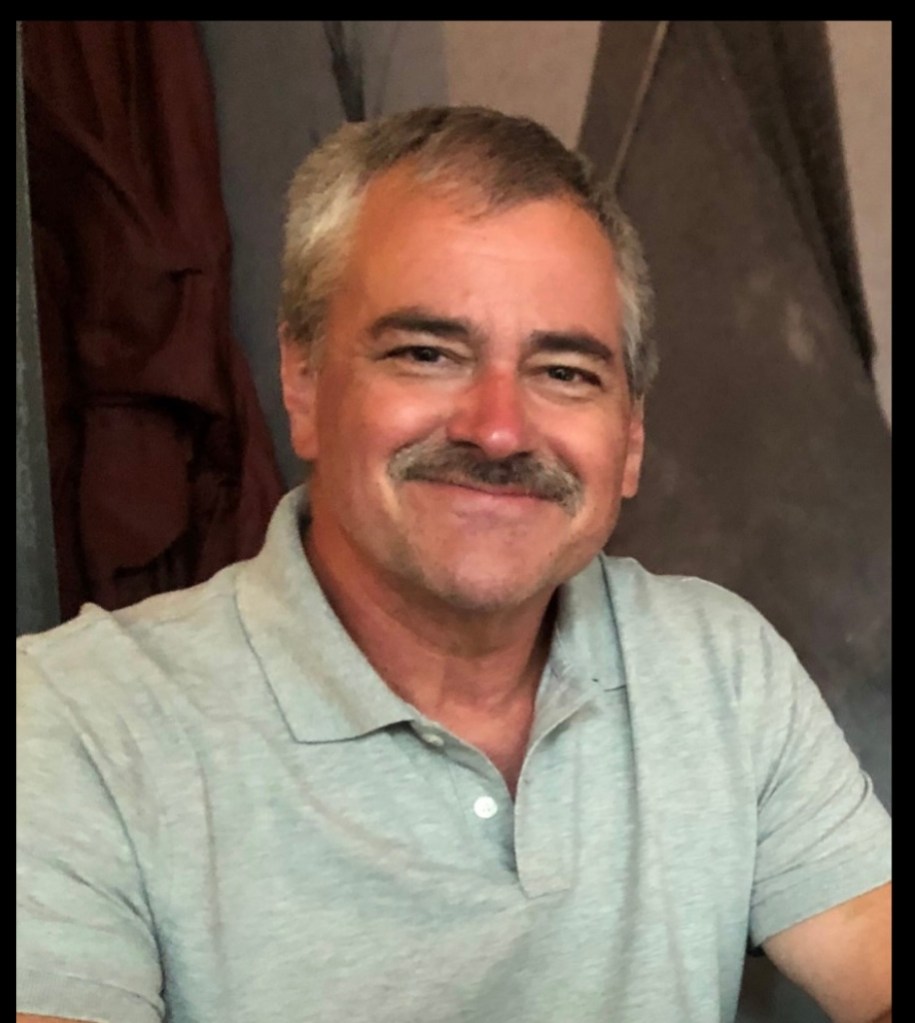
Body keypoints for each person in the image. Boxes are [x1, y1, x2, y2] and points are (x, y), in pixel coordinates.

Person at [17, 106, 891, 1023]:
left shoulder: (719, 664)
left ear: (630, 436)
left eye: (565, 371)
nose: (498, 429)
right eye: (427, 354)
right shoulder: (78, 724)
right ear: (303, 382)